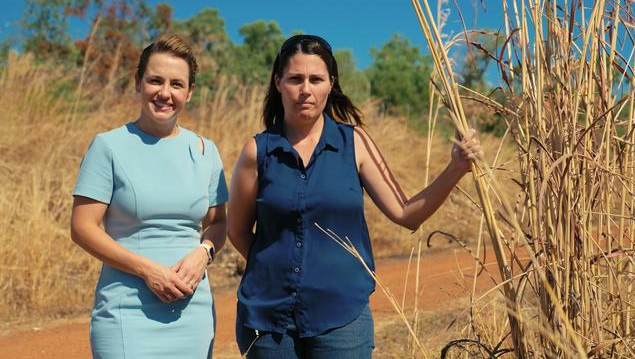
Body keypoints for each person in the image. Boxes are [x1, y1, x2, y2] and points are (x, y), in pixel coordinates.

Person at [227, 34, 483, 358]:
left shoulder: (355, 143)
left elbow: (407, 214)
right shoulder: (257, 151)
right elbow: (236, 231)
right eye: (295, 79)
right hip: (268, 322)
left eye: (316, 79)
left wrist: (456, 167)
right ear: (278, 82)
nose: (306, 89)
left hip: (342, 319)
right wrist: (274, 269)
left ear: (330, 84)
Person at [70, 34, 228, 358]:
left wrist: (205, 253)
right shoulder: (108, 146)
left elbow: (218, 224)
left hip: (192, 313)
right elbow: (82, 228)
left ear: (190, 92)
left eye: (176, 84)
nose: (165, 93)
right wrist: (148, 271)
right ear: (138, 83)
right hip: (126, 313)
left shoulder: (206, 151)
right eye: (155, 80)